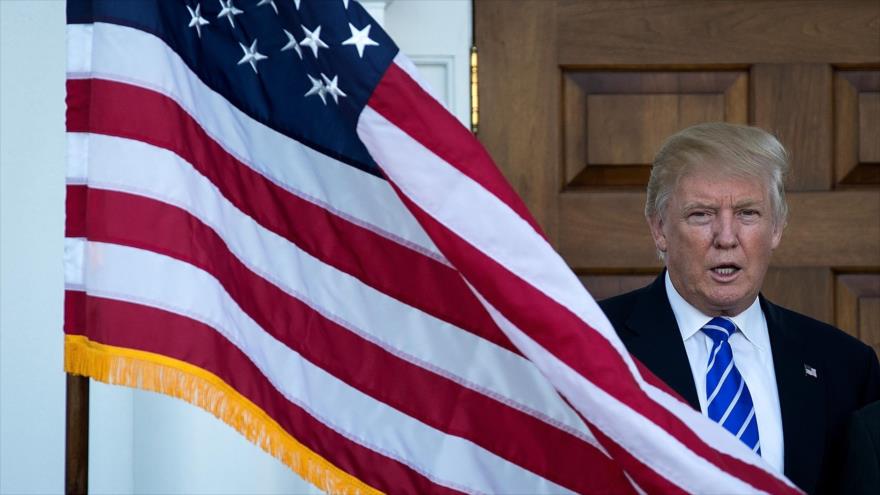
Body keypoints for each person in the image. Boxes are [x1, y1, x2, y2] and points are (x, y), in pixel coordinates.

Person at [598, 123, 880, 494]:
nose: (726, 238)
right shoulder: (595, 343)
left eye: (747, 213)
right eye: (701, 214)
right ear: (660, 228)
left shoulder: (845, 365)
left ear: (777, 227)